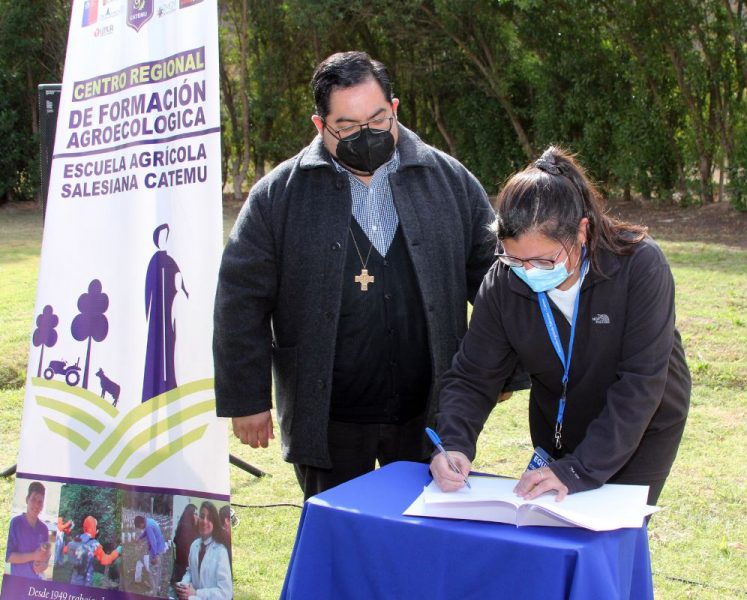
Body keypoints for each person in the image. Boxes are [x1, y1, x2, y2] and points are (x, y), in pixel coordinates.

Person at [214, 50, 522, 497]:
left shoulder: (449, 181)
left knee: (420, 542)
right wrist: (247, 399)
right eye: (348, 127)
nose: (367, 134)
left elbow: (495, 279)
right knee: (343, 548)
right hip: (328, 418)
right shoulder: (277, 197)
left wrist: (502, 371)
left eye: (378, 120)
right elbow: (240, 300)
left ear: (394, 109)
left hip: (428, 414)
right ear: (320, 126)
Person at [430, 147, 691, 506]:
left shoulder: (638, 266)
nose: (529, 271)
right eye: (515, 259)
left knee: (614, 535)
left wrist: (579, 469)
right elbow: (474, 375)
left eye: (543, 259)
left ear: (582, 231)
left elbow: (641, 382)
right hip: (559, 425)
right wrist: (454, 443)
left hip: (639, 426)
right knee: (554, 530)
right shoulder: (503, 281)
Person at [143, 222, 189, 402]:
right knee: (157, 346)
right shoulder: (155, 261)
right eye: (162, 237)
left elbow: (182, 283)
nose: (165, 240)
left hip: (172, 310)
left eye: (166, 237)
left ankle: (170, 382)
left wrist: (184, 293)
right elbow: (148, 289)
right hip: (158, 314)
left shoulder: (171, 260)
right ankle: (154, 386)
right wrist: (149, 312)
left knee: (171, 344)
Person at [176, 501, 232, 600]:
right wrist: (184, 584)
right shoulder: (194, 545)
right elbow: (190, 571)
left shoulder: (220, 552)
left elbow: (226, 593)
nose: (204, 521)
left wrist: (196, 593)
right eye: (202, 516)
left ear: (214, 523)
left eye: (209, 518)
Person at [5, 481, 51, 579]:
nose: (36, 505)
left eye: (40, 502)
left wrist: (44, 564)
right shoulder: (15, 523)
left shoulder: (44, 529)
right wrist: (34, 556)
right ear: (27, 499)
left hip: (36, 583)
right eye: (33, 499)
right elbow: (8, 557)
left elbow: (46, 555)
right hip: (18, 583)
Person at [68, 515, 121, 586]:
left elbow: (68, 549)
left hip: (74, 581)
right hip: (86, 583)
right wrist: (117, 551)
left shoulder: (77, 538)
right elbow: (105, 560)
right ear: (93, 528)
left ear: (84, 527)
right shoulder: (95, 544)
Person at [133, 514, 167, 596]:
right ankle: (157, 587)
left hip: (157, 550)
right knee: (158, 570)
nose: (141, 528)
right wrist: (140, 537)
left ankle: (154, 591)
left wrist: (154, 556)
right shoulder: (149, 521)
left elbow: (153, 542)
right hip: (161, 547)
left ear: (141, 523)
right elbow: (146, 532)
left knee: (152, 571)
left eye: (140, 527)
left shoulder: (148, 526)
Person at [171, 504, 198, 585]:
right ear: (191, 514)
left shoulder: (182, 524)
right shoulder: (188, 528)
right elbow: (186, 550)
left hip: (179, 564)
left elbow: (175, 540)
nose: (197, 516)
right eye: (196, 514)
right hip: (184, 567)